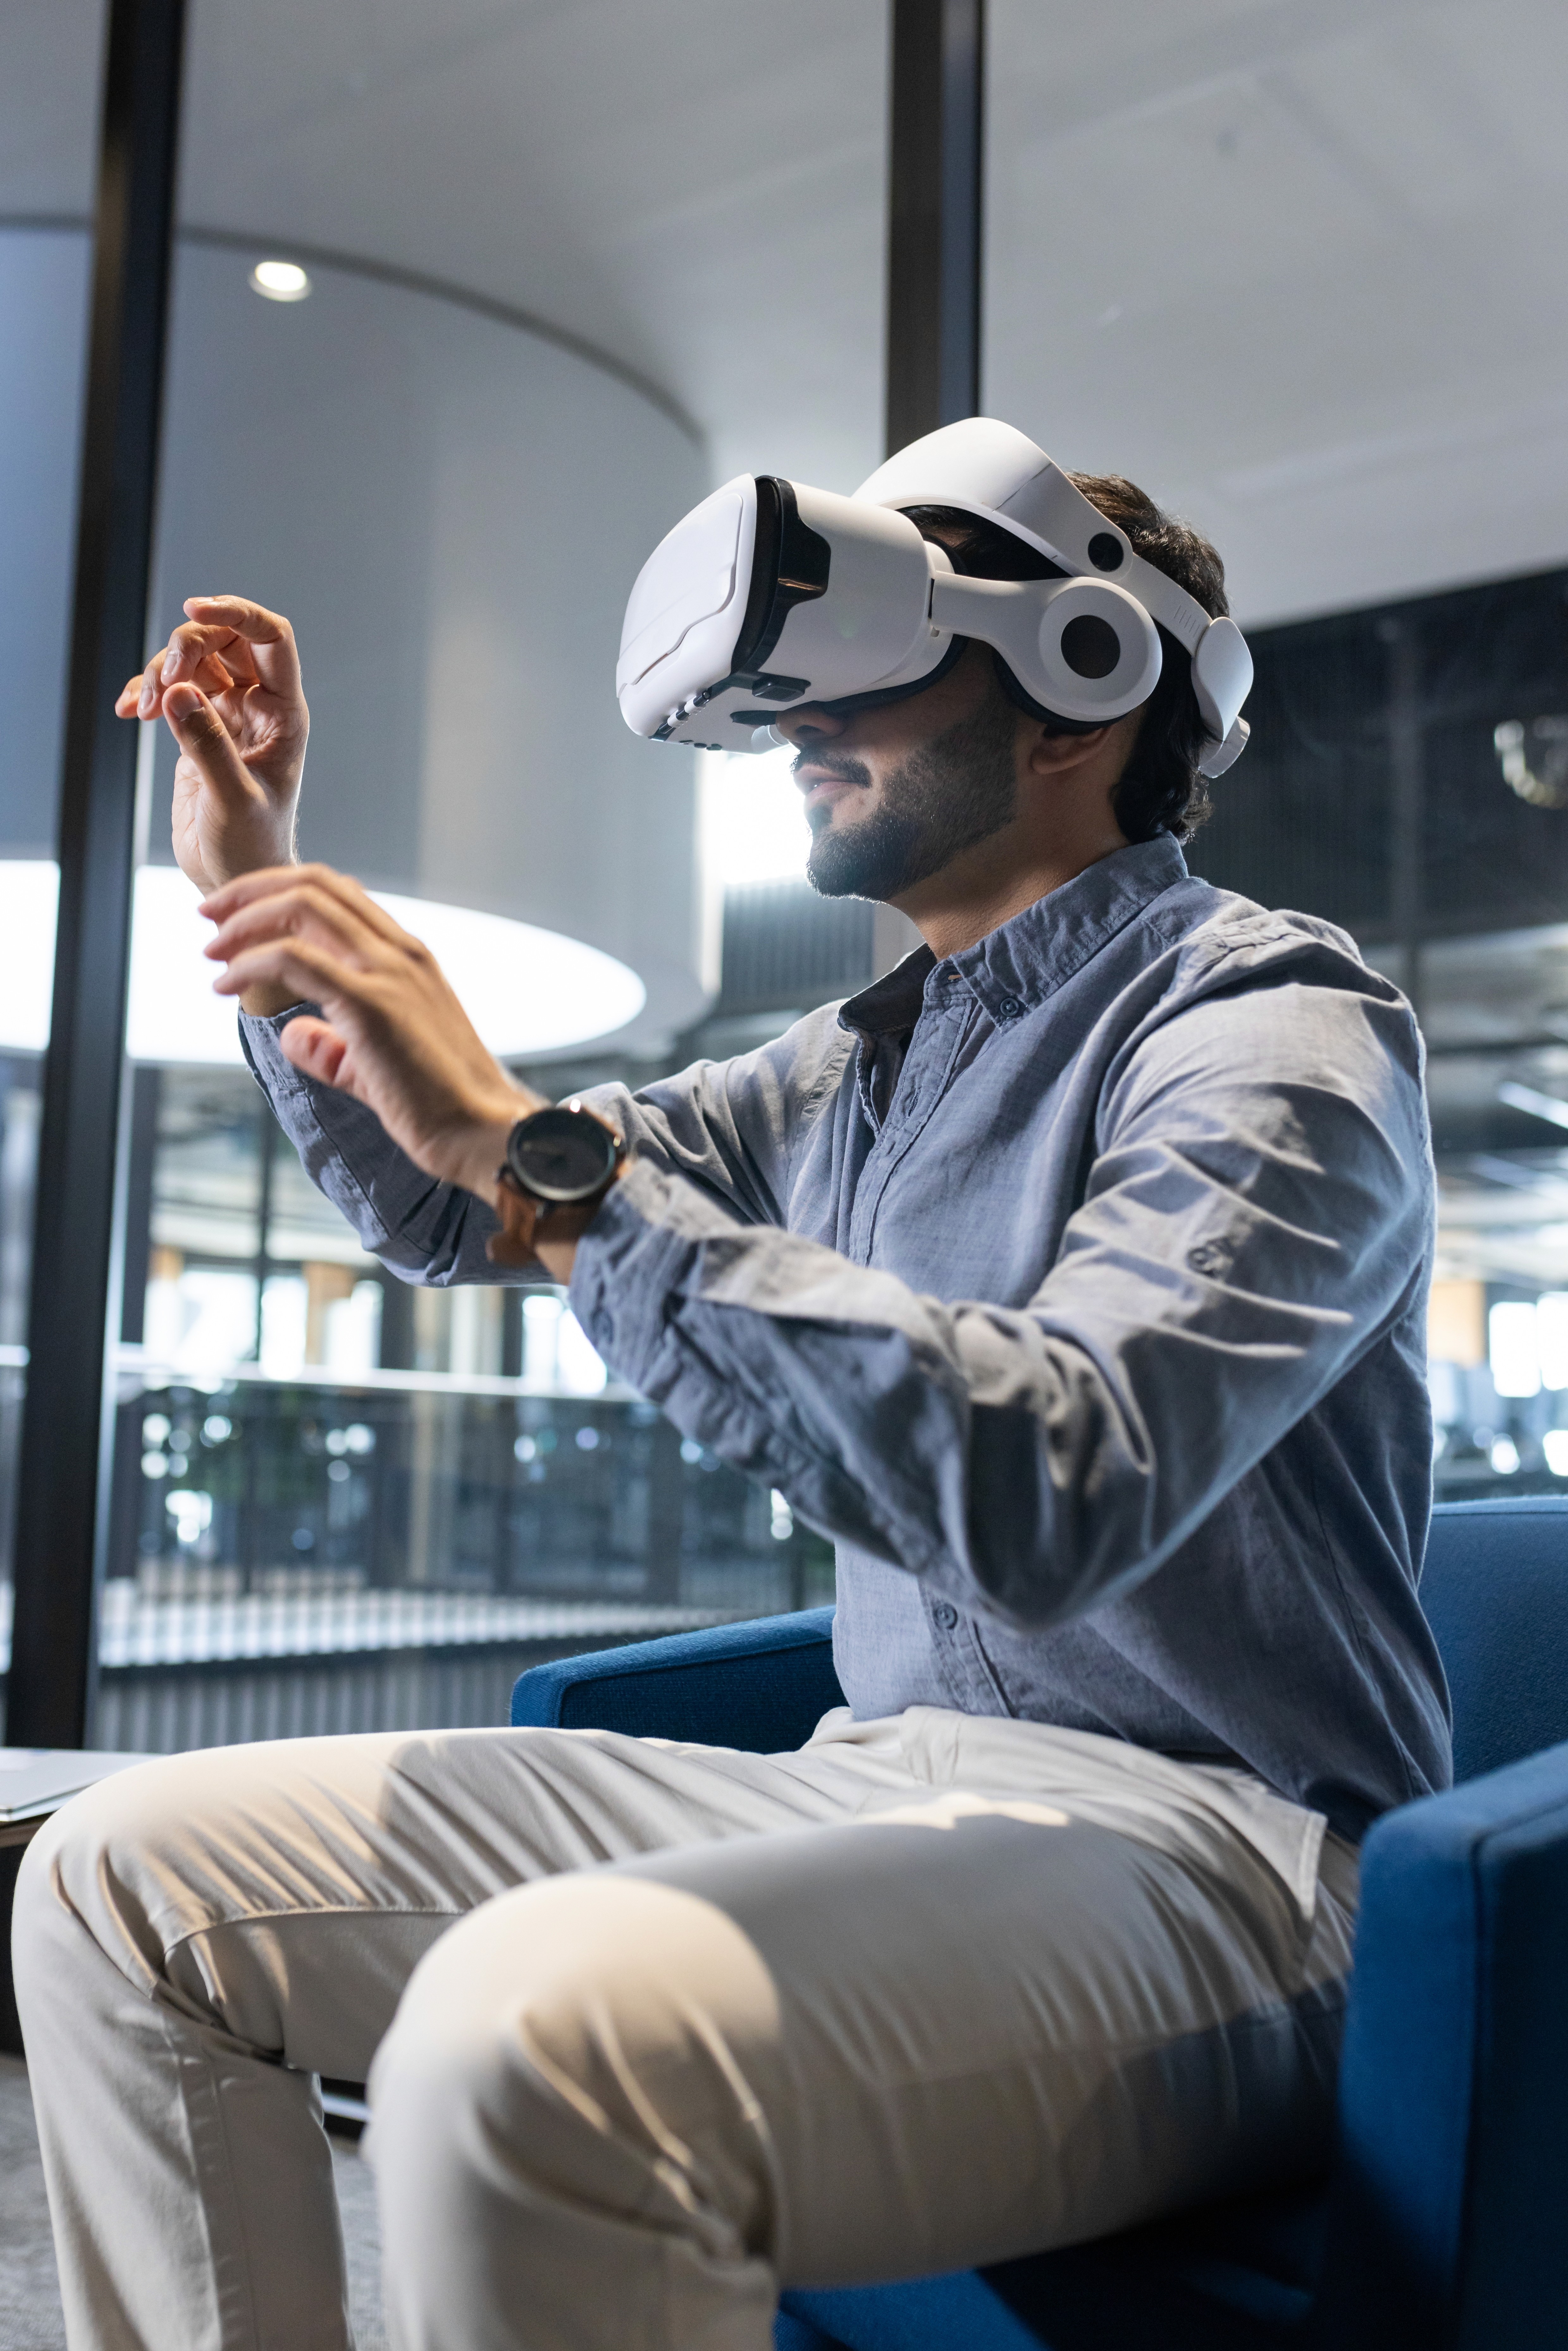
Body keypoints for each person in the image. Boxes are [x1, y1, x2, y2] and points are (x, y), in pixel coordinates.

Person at [14, 450, 1450, 2351]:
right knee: (120, 1886)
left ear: (1083, 684)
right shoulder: (845, 1067)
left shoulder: (1274, 1026)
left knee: (536, 2042)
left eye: (870, 658)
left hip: (1223, 1861)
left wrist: (559, 1169)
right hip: (873, 1787)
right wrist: (265, 891)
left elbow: (1065, 1480)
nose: (796, 715)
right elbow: (466, 1202)